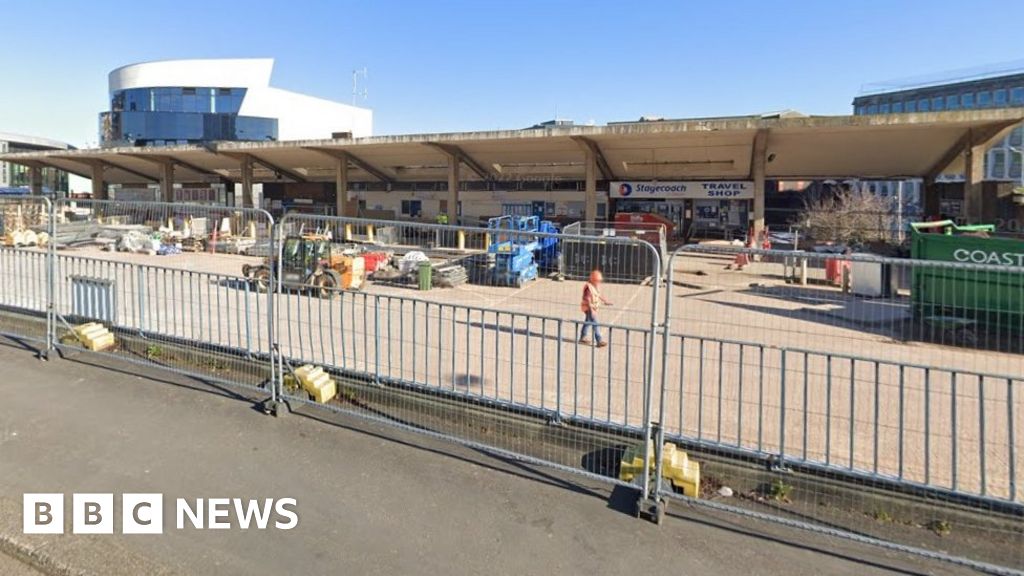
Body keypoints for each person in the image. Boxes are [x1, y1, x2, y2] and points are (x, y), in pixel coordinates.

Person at [579, 269, 612, 347]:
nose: (599, 282)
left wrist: (605, 301)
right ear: (593, 280)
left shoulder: (595, 286)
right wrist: (592, 311)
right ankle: (599, 340)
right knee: (595, 323)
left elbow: (598, 294)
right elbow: (588, 299)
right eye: (598, 281)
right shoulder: (588, 288)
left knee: (588, 321)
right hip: (589, 308)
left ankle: (583, 337)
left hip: (592, 308)